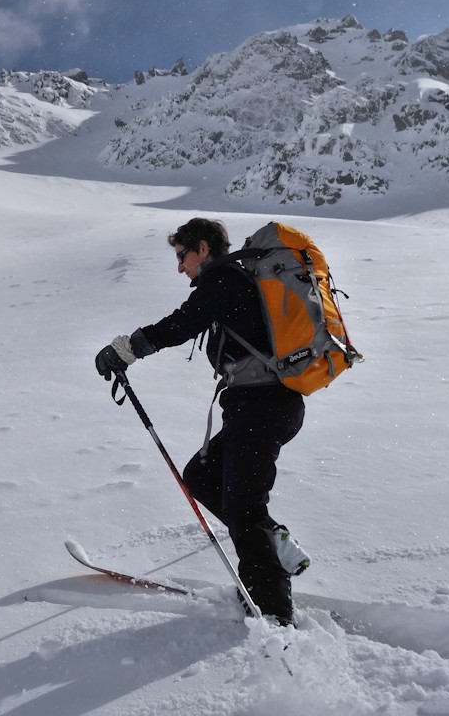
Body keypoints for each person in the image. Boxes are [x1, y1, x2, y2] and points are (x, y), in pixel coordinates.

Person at [94, 217, 308, 626]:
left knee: (243, 507)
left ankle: (273, 614)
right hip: (259, 406)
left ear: (203, 249)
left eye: (182, 256)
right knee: (201, 476)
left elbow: (181, 323)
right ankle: (273, 540)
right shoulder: (235, 280)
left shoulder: (225, 280)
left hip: (262, 406)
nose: (180, 267)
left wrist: (126, 349)